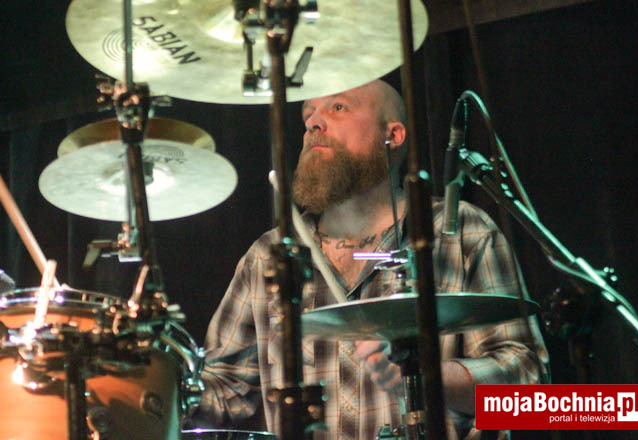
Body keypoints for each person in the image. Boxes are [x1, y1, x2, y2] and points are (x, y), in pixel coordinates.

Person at [199, 79, 548, 439]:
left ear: (392, 135)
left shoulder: (461, 232)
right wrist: (165, 384)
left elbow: (532, 393)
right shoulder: (269, 255)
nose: (313, 122)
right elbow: (225, 390)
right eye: (308, 114)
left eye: (338, 107)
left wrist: (425, 376)